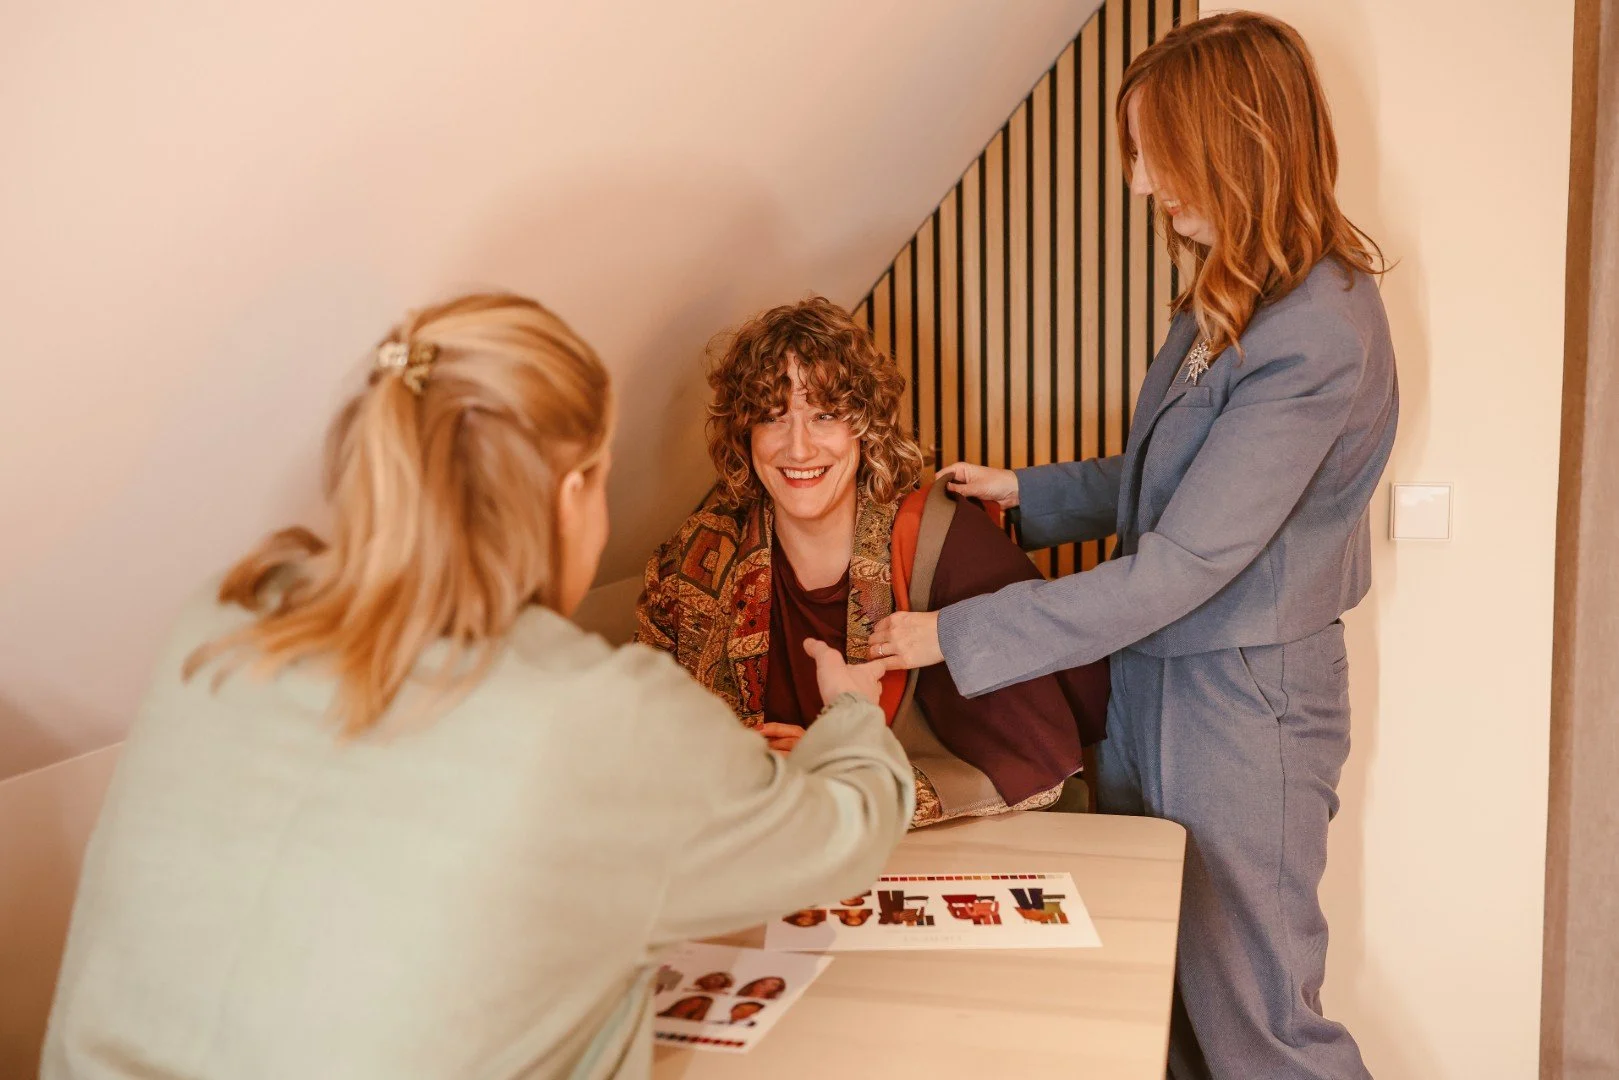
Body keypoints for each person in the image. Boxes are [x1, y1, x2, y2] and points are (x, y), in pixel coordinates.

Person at [41, 293, 912, 1080]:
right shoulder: (600, 712)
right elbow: (844, 833)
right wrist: (848, 707)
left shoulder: (223, 617)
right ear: (570, 493)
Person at [871, 13, 1394, 1080]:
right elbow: (1176, 481)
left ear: (1237, 143)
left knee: (1256, 1026)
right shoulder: (1229, 291)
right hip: (1154, 681)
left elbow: (1184, 562)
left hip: (1242, 705)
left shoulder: (1316, 331)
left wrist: (950, 634)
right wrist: (1026, 492)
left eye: (1156, 151)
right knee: (1164, 1007)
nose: (1139, 181)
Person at [636, 297, 1107, 827]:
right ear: (745, 433)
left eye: (825, 415)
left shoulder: (944, 542)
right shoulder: (697, 557)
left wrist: (834, 771)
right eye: (772, 417)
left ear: (866, 427)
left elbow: (1037, 765)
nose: (798, 448)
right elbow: (637, 735)